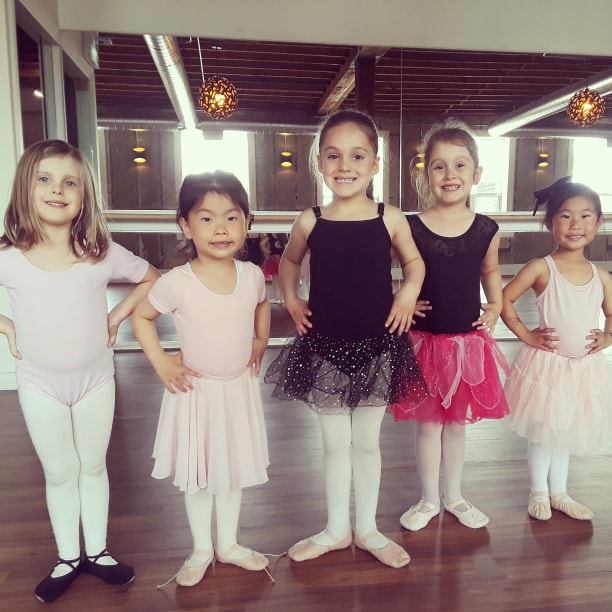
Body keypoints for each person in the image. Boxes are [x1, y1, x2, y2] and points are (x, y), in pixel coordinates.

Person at [265, 109, 427, 569]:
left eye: (357, 156)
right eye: (334, 156)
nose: (345, 165)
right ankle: (337, 529)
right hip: (325, 346)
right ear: (320, 162)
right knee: (335, 445)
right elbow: (289, 263)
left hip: (378, 345)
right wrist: (291, 301)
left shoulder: (389, 217)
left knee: (367, 444)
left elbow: (414, 264)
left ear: (375, 163)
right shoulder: (310, 220)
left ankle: (369, 528)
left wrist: (407, 293)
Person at [0, 140, 159, 603]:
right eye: (44, 180)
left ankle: (99, 552)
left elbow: (151, 277)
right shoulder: (8, 254)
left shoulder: (99, 251)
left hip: (95, 380)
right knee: (60, 471)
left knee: (93, 466)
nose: (57, 189)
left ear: (83, 194)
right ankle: (68, 556)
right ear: (25, 189)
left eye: (70, 182)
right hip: (39, 384)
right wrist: (6, 325)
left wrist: (116, 317)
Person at [131, 170, 271, 587]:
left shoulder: (252, 275)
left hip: (237, 391)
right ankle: (201, 548)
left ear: (248, 222)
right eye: (206, 218)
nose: (221, 228)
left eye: (232, 217)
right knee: (198, 474)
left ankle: (228, 544)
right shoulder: (178, 282)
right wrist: (161, 363)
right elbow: (141, 316)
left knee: (230, 470)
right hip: (195, 391)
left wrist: (261, 340)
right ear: (185, 225)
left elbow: (261, 304)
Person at [389, 120, 509, 532]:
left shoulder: (486, 229)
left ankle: (454, 496)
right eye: (439, 167)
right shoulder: (410, 225)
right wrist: (399, 296)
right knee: (428, 424)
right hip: (423, 341)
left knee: (456, 424)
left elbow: (490, 271)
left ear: (476, 174)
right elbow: (388, 270)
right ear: (426, 175)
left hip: (466, 343)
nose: (450, 175)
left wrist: (495, 304)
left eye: (460, 166)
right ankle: (427, 499)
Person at [501, 179, 612, 521]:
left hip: (583, 368)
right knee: (544, 432)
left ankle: (560, 492)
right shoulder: (541, 267)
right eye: (565, 216)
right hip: (546, 366)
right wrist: (526, 335)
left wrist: (608, 337)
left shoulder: (601, 275)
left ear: (598, 223)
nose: (576, 224)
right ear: (550, 224)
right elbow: (504, 300)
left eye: (586, 216)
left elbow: (611, 313)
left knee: (564, 432)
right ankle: (538, 492)